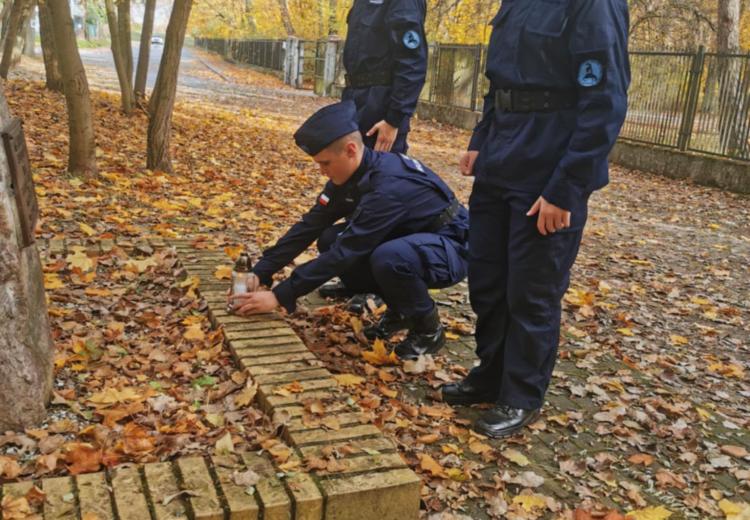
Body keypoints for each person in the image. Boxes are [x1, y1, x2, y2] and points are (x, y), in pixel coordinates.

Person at [441, 0, 630, 437]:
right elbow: (497, 85)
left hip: (547, 168)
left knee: (531, 291)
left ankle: (521, 394)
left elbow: (605, 102)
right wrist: (480, 139)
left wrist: (566, 188)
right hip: (501, 159)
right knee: (487, 281)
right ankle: (490, 375)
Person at [228, 101, 469, 360]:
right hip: (414, 240)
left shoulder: (388, 187)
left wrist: (278, 296)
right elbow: (310, 225)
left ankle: (428, 329)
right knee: (330, 238)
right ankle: (400, 311)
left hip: (452, 247)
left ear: (351, 150)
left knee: (387, 257)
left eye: (326, 163)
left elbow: (348, 251)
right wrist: (261, 271)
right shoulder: (351, 174)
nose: (322, 171)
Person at [341, 0, 427, 154]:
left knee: (380, 173)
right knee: (351, 172)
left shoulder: (404, 4)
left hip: (380, 107)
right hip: (354, 102)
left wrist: (393, 120)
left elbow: (412, 63)